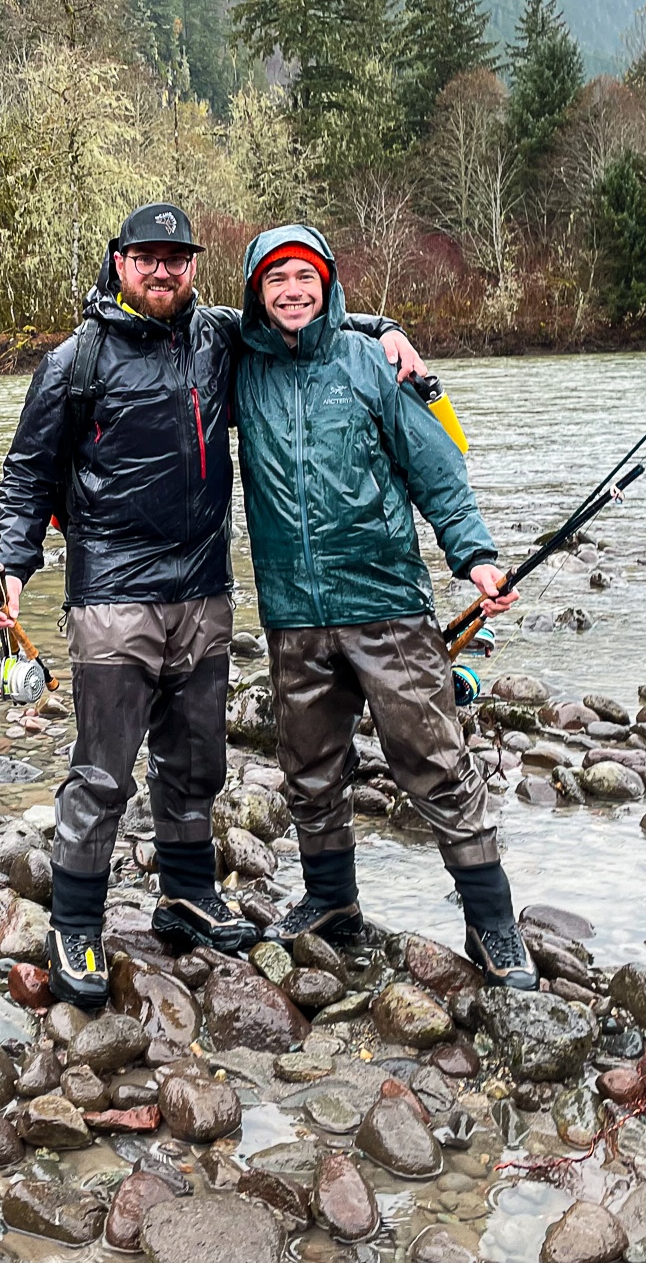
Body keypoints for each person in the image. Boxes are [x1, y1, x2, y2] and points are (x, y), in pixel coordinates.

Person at [0, 202, 430, 1009]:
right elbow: (25, 476)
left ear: (193, 266)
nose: (164, 271)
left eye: (178, 258)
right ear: (119, 261)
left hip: (203, 591)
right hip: (113, 595)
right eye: (148, 257)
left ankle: (188, 899)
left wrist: (385, 327)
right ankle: (76, 928)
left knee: (196, 767)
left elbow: (296, 316)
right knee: (102, 774)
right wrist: (11, 569)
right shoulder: (74, 361)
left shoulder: (218, 336)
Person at [232, 223, 536, 990]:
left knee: (436, 763)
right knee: (307, 769)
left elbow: (436, 470)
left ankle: (492, 925)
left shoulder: (369, 364)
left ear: (328, 284)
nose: (292, 291)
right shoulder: (241, 366)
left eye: (306, 277)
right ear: (256, 294)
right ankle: (333, 901)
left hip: (387, 604)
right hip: (293, 614)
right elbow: (169, 323)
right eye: (276, 280)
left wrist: (478, 559)